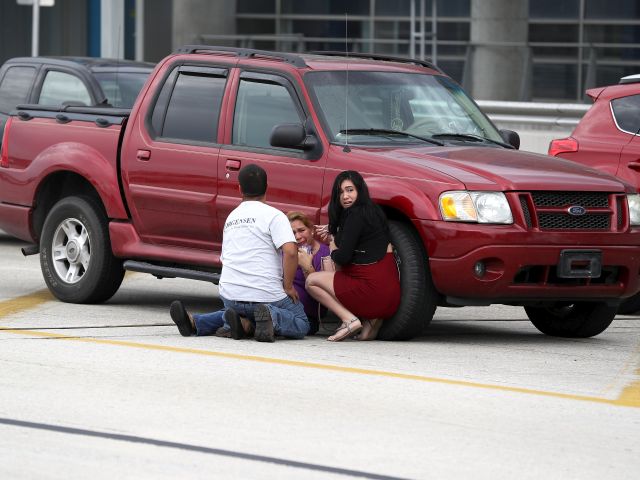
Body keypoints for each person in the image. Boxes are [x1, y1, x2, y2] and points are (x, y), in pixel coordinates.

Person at [169, 164, 309, 342]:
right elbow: (290, 251)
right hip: (266, 297)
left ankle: (198, 323)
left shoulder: (231, 218)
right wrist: (288, 287)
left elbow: (225, 258)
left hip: (230, 296)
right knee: (302, 322)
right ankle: (271, 318)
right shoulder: (274, 215)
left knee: (234, 312)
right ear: (267, 187)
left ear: (239, 189)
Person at [306, 170, 401, 342]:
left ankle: (348, 319)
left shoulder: (354, 214)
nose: (345, 196)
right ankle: (371, 321)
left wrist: (333, 243)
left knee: (311, 281)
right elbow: (355, 234)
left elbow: (342, 258)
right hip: (391, 297)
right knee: (364, 337)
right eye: (341, 192)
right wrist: (334, 229)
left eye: (350, 190)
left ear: (359, 190)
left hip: (371, 291)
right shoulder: (374, 211)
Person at [287, 211, 330, 335]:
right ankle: (245, 324)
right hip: (284, 305)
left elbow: (326, 292)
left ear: (311, 230)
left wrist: (307, 267)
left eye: (301, 230)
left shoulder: (325, 254)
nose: (297, 236)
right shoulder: (286, 252)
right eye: (292, 233)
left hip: (308, 315)